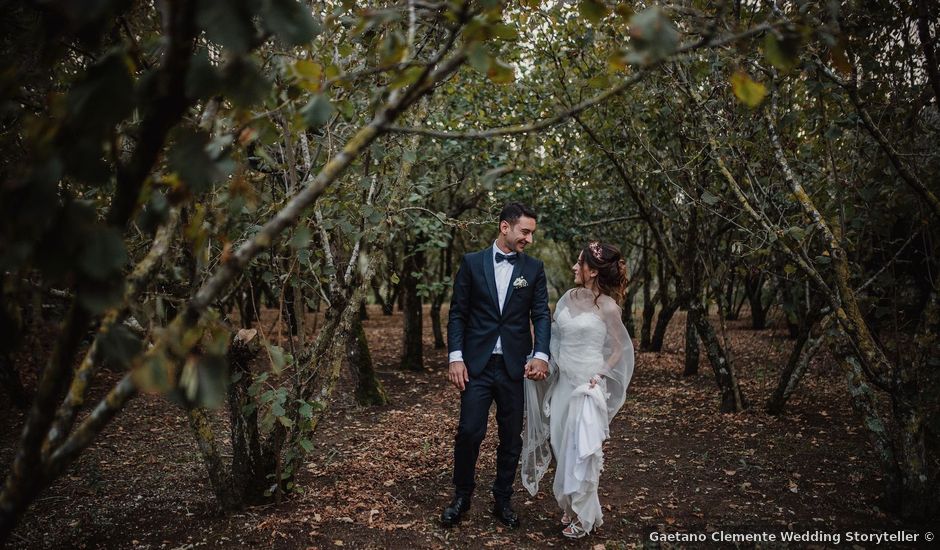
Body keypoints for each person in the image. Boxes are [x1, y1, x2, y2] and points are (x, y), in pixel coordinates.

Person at [441, 202, 551, 529]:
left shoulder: (534, 269)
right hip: (476, 364)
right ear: (505, 227)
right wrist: (456, 357)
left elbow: (541, 314)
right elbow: (458, 313)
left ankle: (502, 498)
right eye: (525, 232)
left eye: (532, 233)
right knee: (469, 432)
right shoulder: (472, 263)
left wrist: (540, 354)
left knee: (511, 438)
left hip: (515, 367)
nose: (529, 239)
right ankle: (461, 496)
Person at [521, 241, 635, 539]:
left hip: (587, 387)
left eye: (579, 263)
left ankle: (583, 517)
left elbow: (619, 349)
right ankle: (572, 506)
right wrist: (539, 358)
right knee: (561, 446)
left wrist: (600, 374)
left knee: (581, 450)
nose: (574, 267)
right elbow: (553, 339)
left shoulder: (609, 307)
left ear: (593, 271)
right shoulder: (567, 299)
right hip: (562, 385)